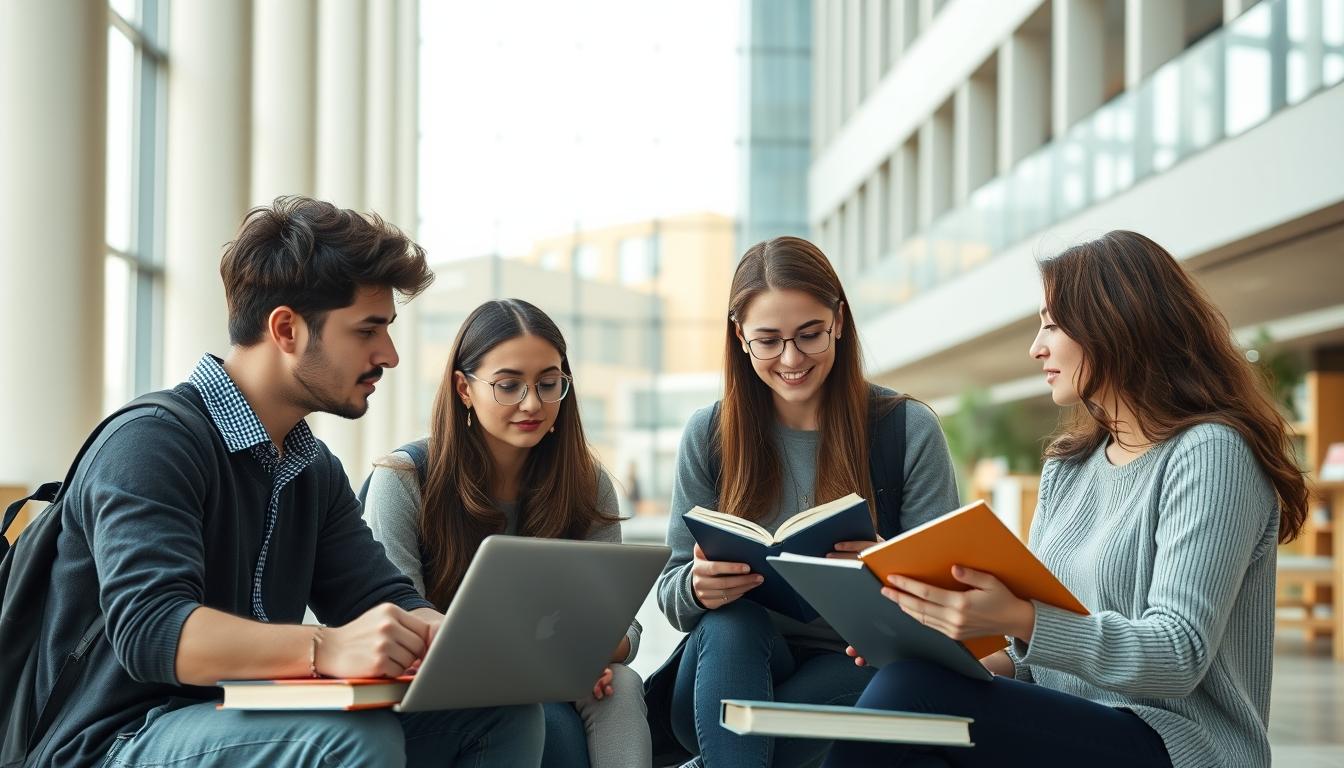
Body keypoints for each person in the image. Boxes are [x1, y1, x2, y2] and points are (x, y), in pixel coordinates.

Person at [28, 197, 544, 766]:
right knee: (350, 738)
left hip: (243, 717)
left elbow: (377, 596)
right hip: (114, 740)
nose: (389, 355)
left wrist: (447, 636)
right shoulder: (152, 443)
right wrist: (326, 646)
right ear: (286, 328)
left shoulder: (311, 468)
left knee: (504, 714)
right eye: (368, 330)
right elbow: (153, 631)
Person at [824, 230, 1308, 768]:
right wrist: (935, 649)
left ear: (1116, 325)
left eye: (1052, 324)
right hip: (1078, 728)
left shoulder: (1210, 453)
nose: (1036, 347)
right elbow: (1038, 670)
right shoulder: (1069, 466)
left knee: (910, 695)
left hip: (1178, 745)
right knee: (910, 685)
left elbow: (1178, 654)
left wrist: (1023, 617)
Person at [651, 236, 960, 767]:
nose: (791, 359)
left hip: (854, 662)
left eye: (810, 335)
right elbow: (672, 594)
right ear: (740, 338)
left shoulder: (906, 429)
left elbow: (946, 600)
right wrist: (698, 587)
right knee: (732, 625)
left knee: (755, 735)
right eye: (768, 341)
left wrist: (886, 564)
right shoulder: (709, 434)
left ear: (839, 319)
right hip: (726, 664)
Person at [363, 298, 651, 768]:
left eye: (548, 383)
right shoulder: (403, 479)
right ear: (464, 388)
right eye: (508, 386)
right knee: (543, 722)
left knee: (620, 684)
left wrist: (587, 651)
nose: (533, 403)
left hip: (556, 680)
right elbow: (400, 626)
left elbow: (623, 630)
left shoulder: (586, 483)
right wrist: (541, 662)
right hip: (443, 697)